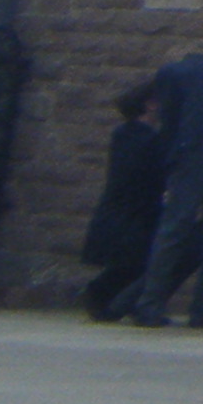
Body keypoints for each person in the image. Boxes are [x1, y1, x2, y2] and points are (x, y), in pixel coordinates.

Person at [124, 50, 203, 328]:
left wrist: (169, 160)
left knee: (173, 229)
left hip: (191, 155)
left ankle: (150, 306)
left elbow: (170, 119)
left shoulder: (172, 73)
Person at [80, 77, 169, 322]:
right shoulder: (141, 136)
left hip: (130, 208)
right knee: (134, 262)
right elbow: (147, 173)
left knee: (135, 262)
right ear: (150, 104)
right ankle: (101, 297)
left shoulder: (129, 133)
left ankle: (119, 301)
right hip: (133, 210)